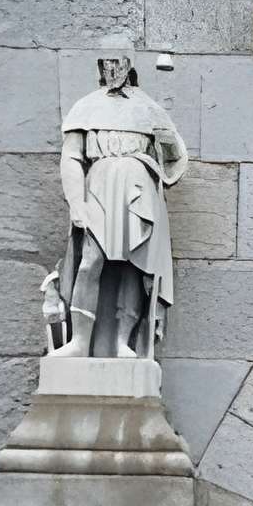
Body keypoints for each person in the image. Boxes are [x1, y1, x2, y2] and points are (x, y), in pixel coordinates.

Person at [58, 52, 189, 358]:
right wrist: (76, 203)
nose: (113, 68)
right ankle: (79, 340)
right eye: (107, 62)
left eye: (119, 62)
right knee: (91, 260)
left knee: (134, 264)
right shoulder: (87, 106)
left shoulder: (147, 107)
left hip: (138, 190)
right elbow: (71, 157)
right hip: (100, 187)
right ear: (100, 66)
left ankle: (122, 341)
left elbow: (175, 158)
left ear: (129, 66)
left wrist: (166, 142)